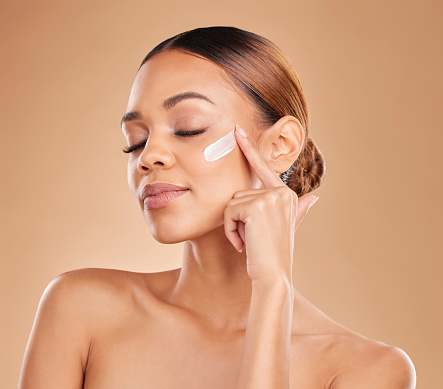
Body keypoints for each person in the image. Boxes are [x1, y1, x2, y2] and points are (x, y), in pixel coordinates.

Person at [18, 26, 416, 388]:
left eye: (188, 127)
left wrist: (271, 289)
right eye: (136, 139)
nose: (148, 156)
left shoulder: (368, 371)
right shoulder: (80, 308)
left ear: (280, 145)